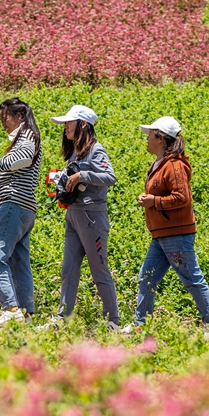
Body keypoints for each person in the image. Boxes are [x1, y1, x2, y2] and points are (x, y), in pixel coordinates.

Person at [123, 116, 209, 337]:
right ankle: (142, 325)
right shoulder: (159, 164)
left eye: (150, 134)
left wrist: (154, 202)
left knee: (192, 280)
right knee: (146, 278)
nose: (146, 138)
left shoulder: (175, 165)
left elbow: (182, 197)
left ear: (161, 138)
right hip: (161, 235)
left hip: (176, 235)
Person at [46, 104, 120, 328]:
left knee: (99, 269)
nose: (65, 127)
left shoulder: (97, 150)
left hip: (92, 218)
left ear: (83, 124)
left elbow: (110, 176)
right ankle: (62, 318)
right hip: (74, 216)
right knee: (68, 269)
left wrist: (81, 175)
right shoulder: (76, 152)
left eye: (69, 123)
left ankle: (112, 321)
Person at [0, 98, 42, 326]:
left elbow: (24, 157)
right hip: (25, 208)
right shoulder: (28, 136)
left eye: (5, 117)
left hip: (14, 204)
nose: (3, 123)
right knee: (19, 262)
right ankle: (26, 312)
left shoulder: (27, 136)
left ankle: (11, 308)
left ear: (19, 116)